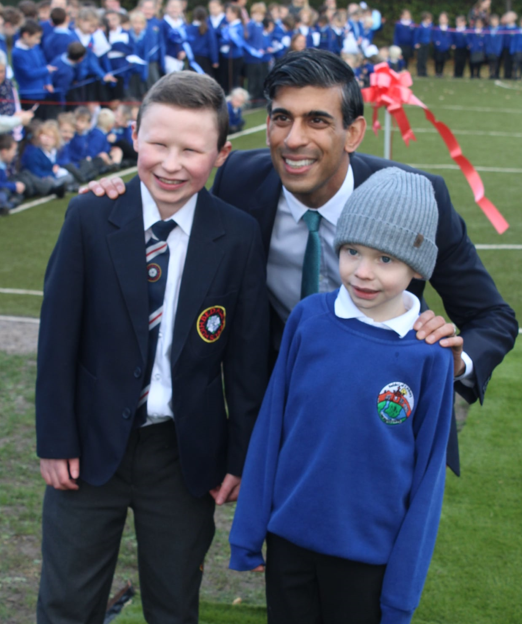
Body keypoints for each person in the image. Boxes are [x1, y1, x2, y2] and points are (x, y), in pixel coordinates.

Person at [89, 49, 519, 476]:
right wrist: (120, 193)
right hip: (284, 425)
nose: (294, 139)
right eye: (281, 118)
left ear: (353, 133)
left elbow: (492, 317)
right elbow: (171, 189)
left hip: (389, 431)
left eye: (317, 120)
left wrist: (455, 362)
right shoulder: (238, 179)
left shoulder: (415, 199)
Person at [35, 70, 269, 624]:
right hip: (89, 446)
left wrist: (240, 456)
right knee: (68, 597)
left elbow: (246, 358)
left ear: (220, 154)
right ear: (134, 136)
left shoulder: (236, 235)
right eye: (158, 143)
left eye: (191, 150)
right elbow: (57, 337)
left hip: (183, 451)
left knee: (172, 598)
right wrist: (55, 438)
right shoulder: (91, 217)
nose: (170, 163)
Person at [230, 167, 457, 624]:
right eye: (352, 251)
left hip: (367, 562)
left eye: (385, 259)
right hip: (289, 544)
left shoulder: (429, 356)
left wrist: (400, 595)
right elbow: (272, 427)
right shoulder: (309, 318)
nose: (363, 272)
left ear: (417, 267)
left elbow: (428, 478)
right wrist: (248, 531)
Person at [414, 12, 432, 77]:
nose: (430, 21)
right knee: (420, 58)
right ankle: (419, 71)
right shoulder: (420, 27)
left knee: (425, 59)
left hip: (427, 45)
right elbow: (416, 35)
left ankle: (424, 72)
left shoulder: (430, 26)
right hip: (421, 44)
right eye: (428, 19)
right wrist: (416, 43)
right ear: (424, 19)